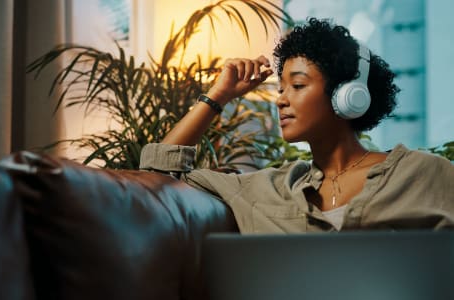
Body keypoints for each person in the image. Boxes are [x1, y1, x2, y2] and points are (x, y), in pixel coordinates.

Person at [140, 18, 454, 232]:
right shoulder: (269, 188)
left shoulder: (425, 174)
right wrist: (217, 96)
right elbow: (156, 179)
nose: (280, 100)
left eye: (298, 86)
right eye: (280, 89)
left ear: (348, 95)